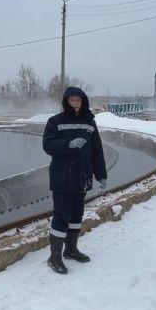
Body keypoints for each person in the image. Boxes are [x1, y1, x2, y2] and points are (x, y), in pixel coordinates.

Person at [42, 86, 108, 275]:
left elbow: (97, 150)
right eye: (72, 100)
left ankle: (71, 249)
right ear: (66, 101)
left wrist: (101, 175)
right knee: (62, 216)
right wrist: (67, 144)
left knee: (76, 215)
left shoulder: (89, 123)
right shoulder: (56, 121)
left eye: (78, 100)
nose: (76, 103)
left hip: (82, 177)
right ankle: (54, 257)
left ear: (83, 101)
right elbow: (47, 145)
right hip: (63, 177)